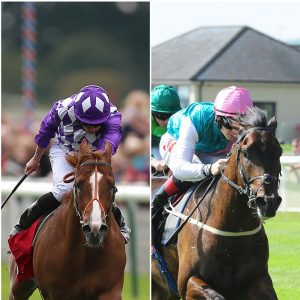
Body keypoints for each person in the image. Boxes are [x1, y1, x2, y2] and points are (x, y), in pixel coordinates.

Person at [10, 85, 131, 244]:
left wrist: (92, 157)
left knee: (98, 187)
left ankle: (121, 224)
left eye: (97, 124)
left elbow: (111, 138)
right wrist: (36, 158)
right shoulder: (63, 108)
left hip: (95, 152)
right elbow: (46, 131)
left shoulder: (112, 114)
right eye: (88, 124)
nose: (93, 128)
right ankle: (23, 223)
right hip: (63, 150)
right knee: (63, 190)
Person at [152, 86, 254, 236]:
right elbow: (181, 168)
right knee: (195, 169)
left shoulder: (245, 126)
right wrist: (208, 169)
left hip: (210, 150)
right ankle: (157, 201)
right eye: (230, 127)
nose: (235, 133)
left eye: (241, 129)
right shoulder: (196, 117)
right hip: (175, 140)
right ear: (218, 118)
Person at [151, 85, 181, 172]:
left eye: (171, 116)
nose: (168, 121)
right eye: (162, 116)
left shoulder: (182, 120)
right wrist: (153, 161)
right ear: (152, 113)